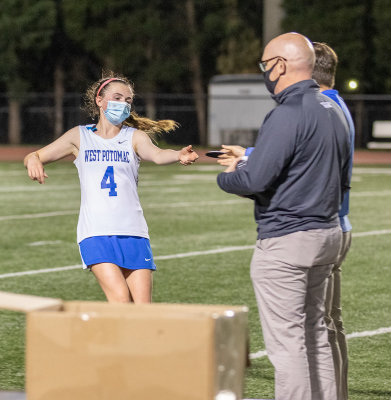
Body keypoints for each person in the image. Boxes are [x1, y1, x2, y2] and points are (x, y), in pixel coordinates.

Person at [216, 32, 350, 400]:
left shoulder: (287, 113)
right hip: (326, 233)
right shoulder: (332, 108)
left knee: (288, 346)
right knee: (316, 336)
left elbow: (256, 178)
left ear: (280, 65)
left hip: (288, 240)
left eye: (265, 63)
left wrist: (226, 176)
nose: (263, 71)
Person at [24, 73, 198, 304]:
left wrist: (177, 155)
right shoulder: (80, 136)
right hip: (96, 233)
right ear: (99, 100)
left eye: (128, 100)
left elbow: (156, 154)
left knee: (143, 310)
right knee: (120, 299)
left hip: (134, 232)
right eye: (117, 97)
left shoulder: (134, 137)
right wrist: (33, 160)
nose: (123, 104)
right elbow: (34, 155)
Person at [312, 41, 354, 400]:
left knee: (318, 325)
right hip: (340, 223)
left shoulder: (324, 108)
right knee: (330, 323)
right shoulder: (338, 105)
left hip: (326, 225)